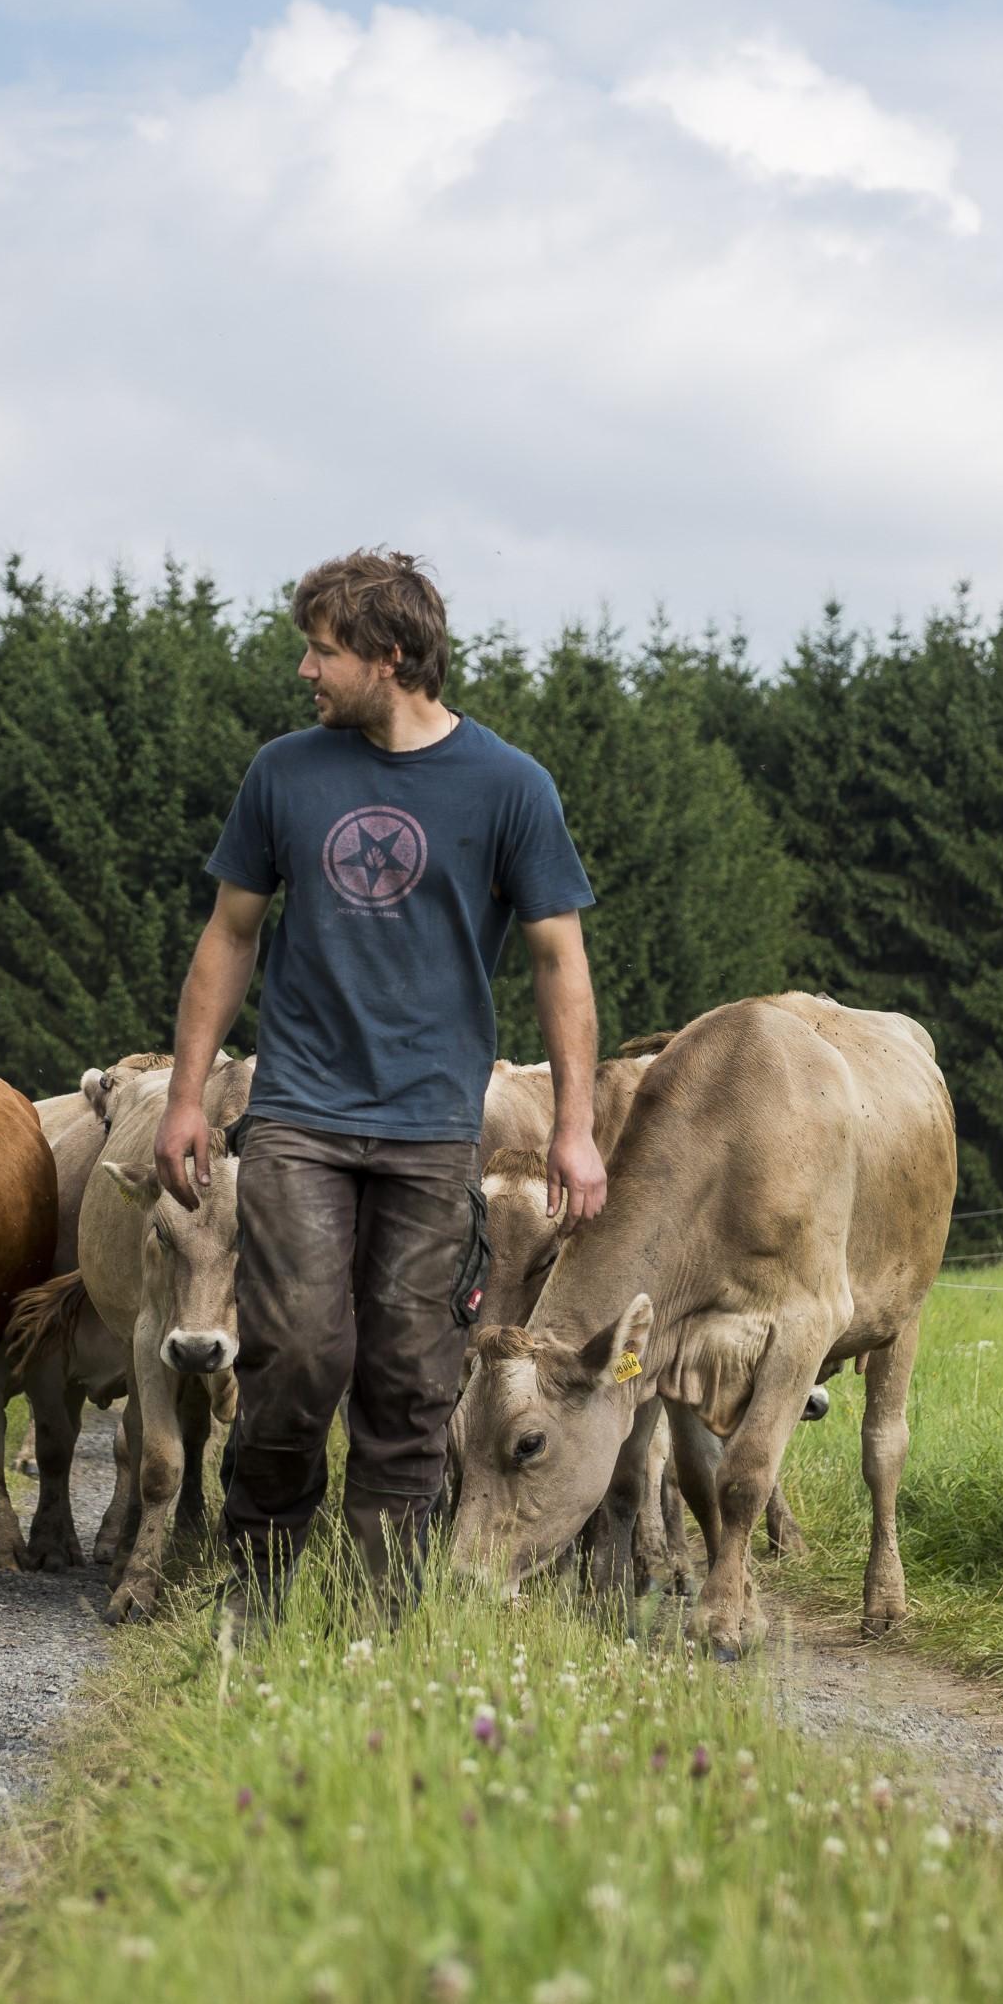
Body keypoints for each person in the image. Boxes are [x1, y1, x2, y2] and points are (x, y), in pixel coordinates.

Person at [152, 548, 607, 1627]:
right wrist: (182, 1099)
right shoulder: (283, 775)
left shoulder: (510, 787)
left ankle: (381, 1622)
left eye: (323, 650)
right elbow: (228, 937)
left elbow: (559, 961)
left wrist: (575, 1129)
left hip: (432, 1128)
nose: (306, 671)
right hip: (300, 1115)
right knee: (300, 1357)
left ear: (390, 657)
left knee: (410, 1381)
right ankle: (256, 1596)